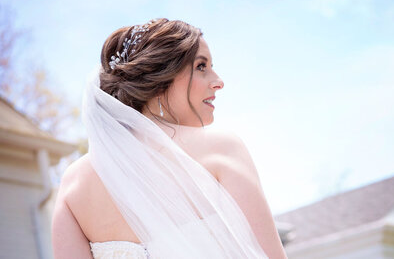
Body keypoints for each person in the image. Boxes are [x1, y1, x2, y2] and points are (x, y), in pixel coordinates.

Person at [51, 18, 287, 259]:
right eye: (201, 67)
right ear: (161, 77)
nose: (218, 82)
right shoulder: (221, 148)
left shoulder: (73, 184)